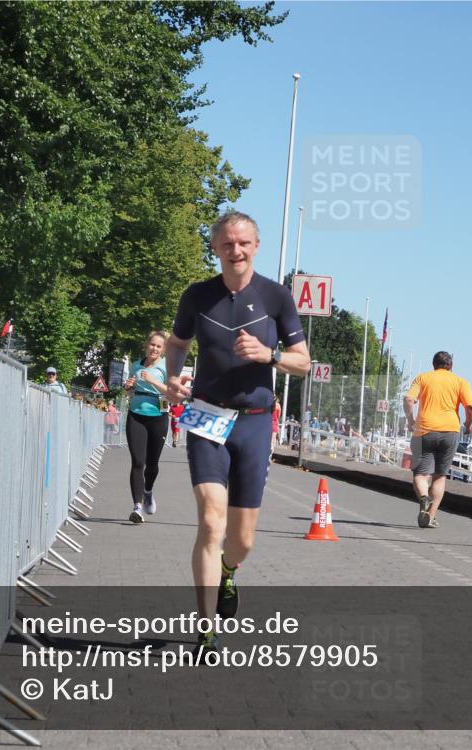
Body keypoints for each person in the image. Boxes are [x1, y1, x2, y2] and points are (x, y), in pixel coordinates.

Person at [165, 211, 310, 654]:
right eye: (227, 244)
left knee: (242, 540)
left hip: (253, 422)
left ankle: (229, 571)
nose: (236, 251)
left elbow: (302, 362)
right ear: (216, 248)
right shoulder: (197, 296)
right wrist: (174, 377)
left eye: (244, 243)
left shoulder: (276, 296)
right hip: (207, 416)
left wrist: (269, 356)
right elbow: (177, 343)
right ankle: (205, 629)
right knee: (211, 520)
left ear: (256, 245)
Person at [403, 351, 472, 529]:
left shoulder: (423, 378)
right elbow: (471, 407)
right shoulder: (460, 381)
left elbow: (408, 399)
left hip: (424, 431)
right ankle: (430, 516)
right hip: (449, 431)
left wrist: (410, 419)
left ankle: (423, 497)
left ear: (433, 364)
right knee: (439, 476)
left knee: (420, 474)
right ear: (450, 366)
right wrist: (467, 425)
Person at [123, 331, 172, 524]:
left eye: (159, 346)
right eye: (152, 345)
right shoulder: (136, 365)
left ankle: (148, 490)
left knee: (152, 465)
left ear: (163, 350)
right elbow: (129, 392)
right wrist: (128, 387)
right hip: (136, 415)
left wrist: (153, 381)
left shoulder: (167, 366)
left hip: (158, 416)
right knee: (137, 462)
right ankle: (137, 506)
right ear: (147, 345)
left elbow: (172, 392)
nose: (155, 349)